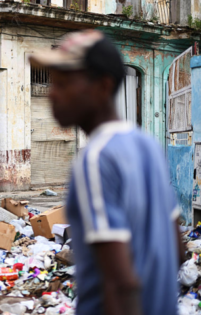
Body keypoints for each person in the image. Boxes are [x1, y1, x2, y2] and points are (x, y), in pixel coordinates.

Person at [30, 30, 185, 315]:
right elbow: (177, 249)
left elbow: (119, 282)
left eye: (64, 83)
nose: (52, 93)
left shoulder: (95, 160)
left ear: (102, 86)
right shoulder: (146, 145)